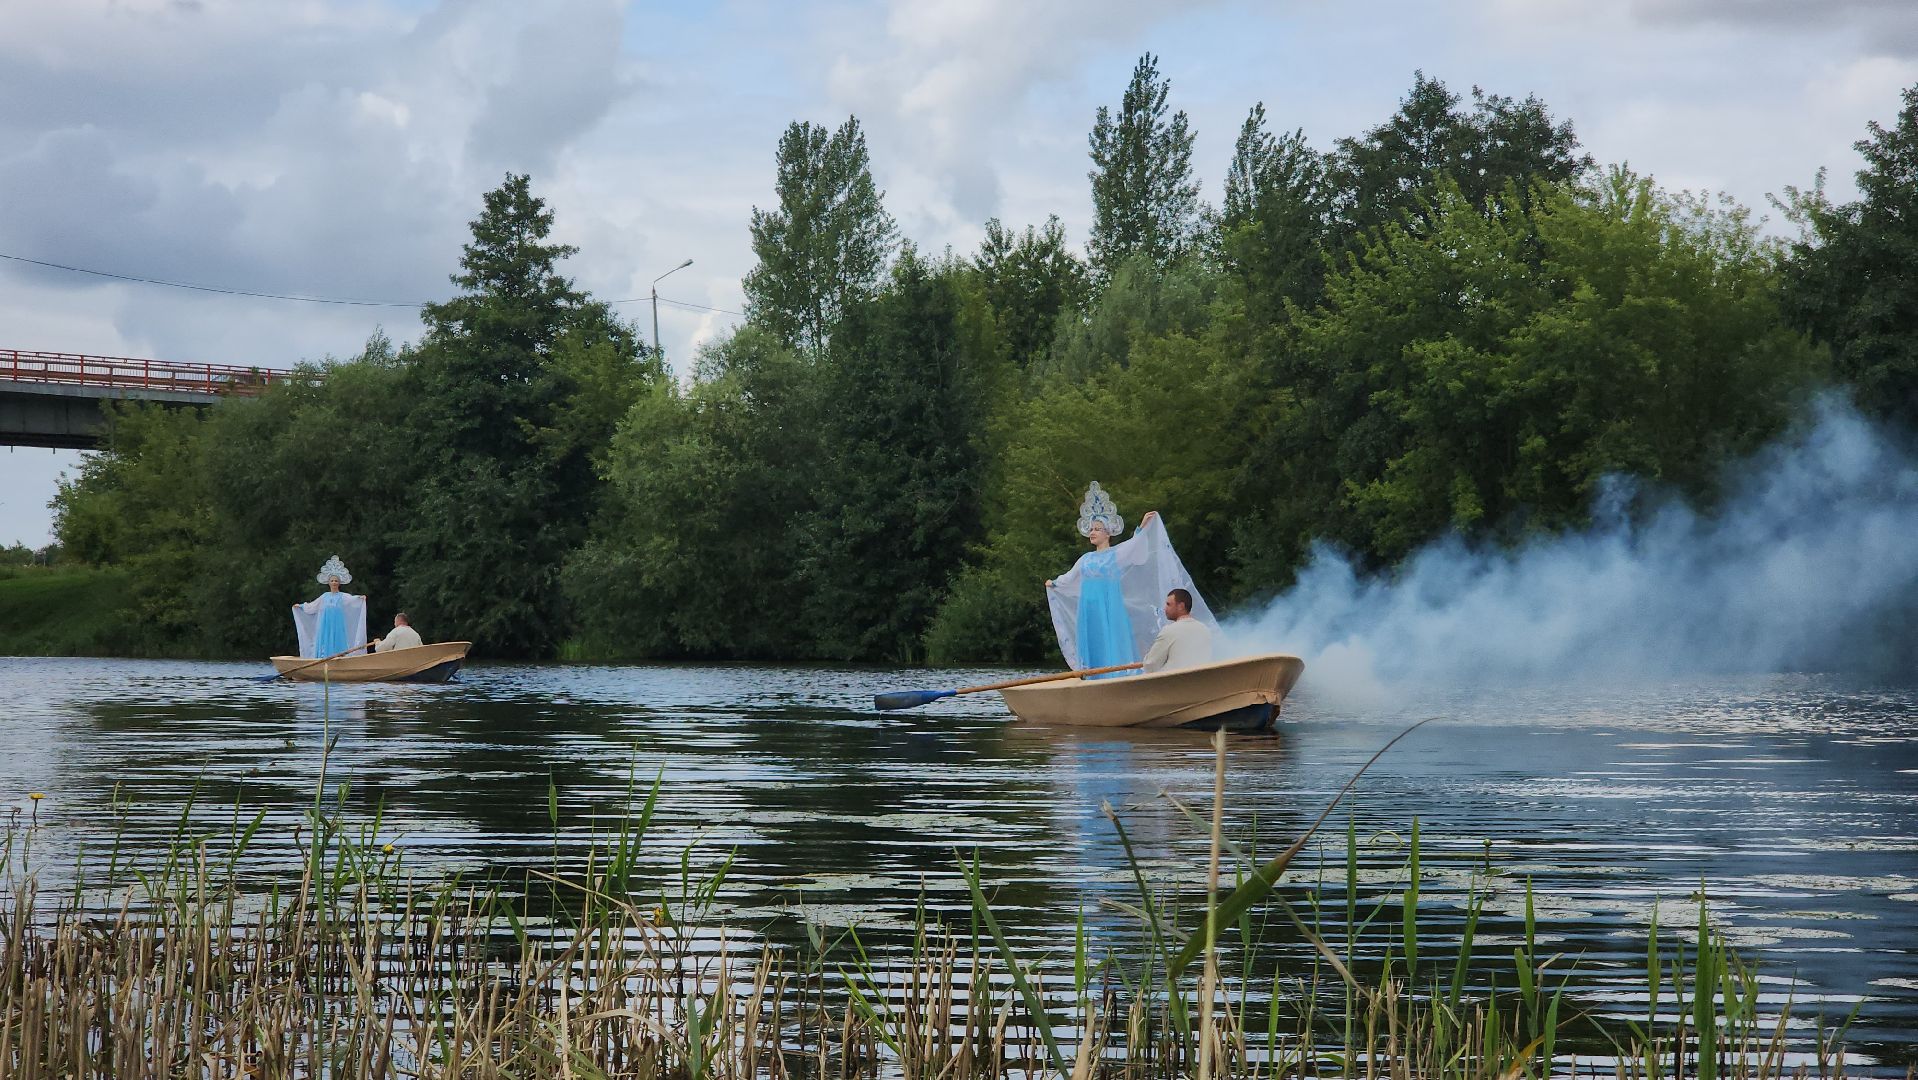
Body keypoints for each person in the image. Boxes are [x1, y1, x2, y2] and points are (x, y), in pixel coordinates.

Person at [1044, 482, 1218, 677]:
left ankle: (1114, 676)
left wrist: (1142, 527)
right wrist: (1054, 583)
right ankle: (1093, 676)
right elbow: (1069, 578)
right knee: (1093, 638)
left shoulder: (1115, 555)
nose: (1092, 532)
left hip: (1109, 607)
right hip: (1089, 609)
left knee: (1111, 639)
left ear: (1108, 533)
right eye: (1091, 529)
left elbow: (1135, 545)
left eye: (1097, 529)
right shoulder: (1086, 559)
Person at [291, 555, 369, 659]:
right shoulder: (324, 596)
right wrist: (301, 606)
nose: (334, 583)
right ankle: (324, 658)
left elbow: (352, 600)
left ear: (339, 583)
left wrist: (360, 598)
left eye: (336, 581)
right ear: (328, 582)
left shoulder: (342, 596)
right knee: (325, 639)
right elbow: (312, 606)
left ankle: (340, 658)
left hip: (337, 623)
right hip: (325, 624)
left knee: (338, 639)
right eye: (332, 581)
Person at [1142, 588, 1214, 673]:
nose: (1165, 609)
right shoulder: (1205, 630)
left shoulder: (1169, 631)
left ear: (1181, 606)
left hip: (1175, 684)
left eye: (1168, 604)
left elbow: (1150, 665)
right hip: (1200, 682)